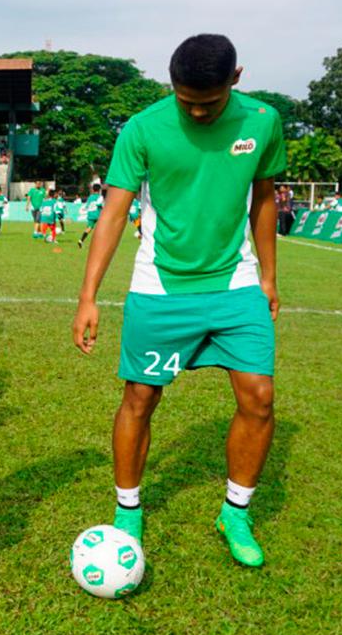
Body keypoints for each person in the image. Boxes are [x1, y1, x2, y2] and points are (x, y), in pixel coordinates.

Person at [72, 33, 285, 568]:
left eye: (207, 102)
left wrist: (269, 277)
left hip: (235, 282)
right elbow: (114, 214)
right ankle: (128, 510)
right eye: (184, 97)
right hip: (160, 288)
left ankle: (235, 512)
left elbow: (263, 199)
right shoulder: (142, 128)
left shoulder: (262, 121)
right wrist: (89, 296)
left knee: (259, 397)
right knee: (140, 400)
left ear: (235, 80)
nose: (194, 109)